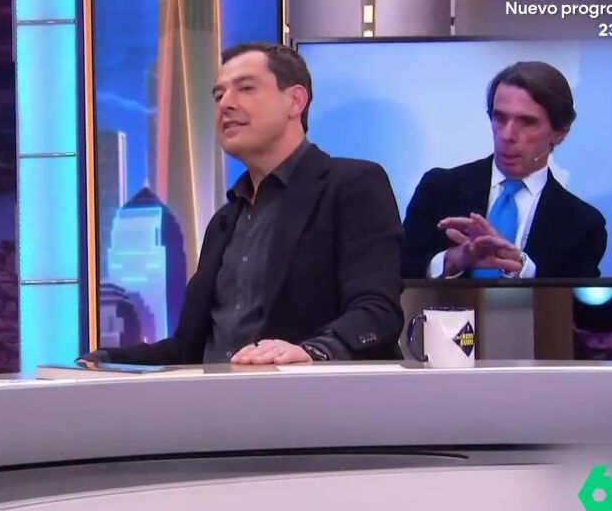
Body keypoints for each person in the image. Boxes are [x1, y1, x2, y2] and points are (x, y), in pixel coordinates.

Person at [84, 42, 404, 366]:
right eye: (218, 94)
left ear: (295, 100)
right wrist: (105, 360)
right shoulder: (225, 221)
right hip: (217, 397)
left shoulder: (352, 185)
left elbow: (377, 313)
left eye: (246, 88)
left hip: (307, 394)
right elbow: (189, 350)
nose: (225, 103)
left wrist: (312, 351)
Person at [401, 61, 607, 280]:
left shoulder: (584, 224)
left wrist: (520, 267)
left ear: (560, 133)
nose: (507, 135)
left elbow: (575, 298)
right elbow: (397, 270)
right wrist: (452, 260)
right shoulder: (439, 189)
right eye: (500, 118)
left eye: (527, 122)